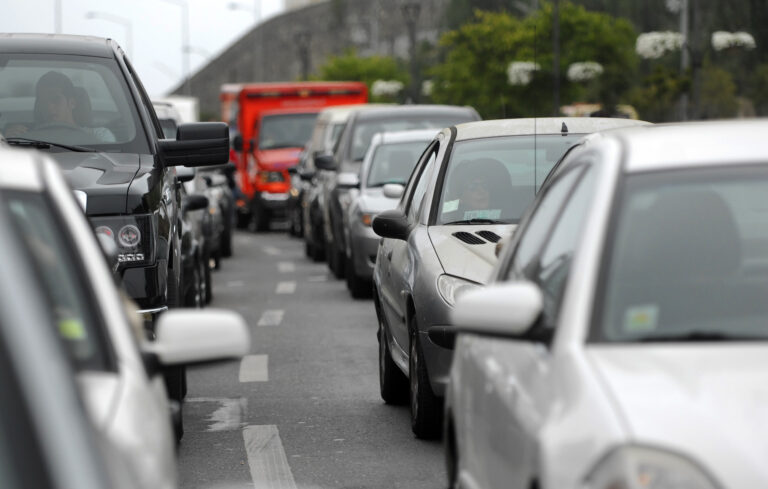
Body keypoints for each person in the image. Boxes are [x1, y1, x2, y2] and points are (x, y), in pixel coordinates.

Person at [6, 71, 115, 143]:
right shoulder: (25, 137)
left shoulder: (99, 136)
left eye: (55, 100)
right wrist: (7, 141)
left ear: (72, 103)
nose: (48, 107)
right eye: (43, 102)